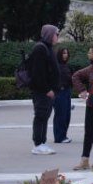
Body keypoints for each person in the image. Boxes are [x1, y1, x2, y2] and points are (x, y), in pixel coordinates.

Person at [27, 24, 61, 155]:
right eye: (56, 34)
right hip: (42, 91)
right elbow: (38, 73)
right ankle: (38, 144)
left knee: (45, 116)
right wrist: (47, 89)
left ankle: (42, 142)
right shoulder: (40, 49)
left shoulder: (47, 47)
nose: (57, 36)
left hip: (48, 91)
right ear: (49, 34)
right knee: (40, 116)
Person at [52, 46, 73, 144]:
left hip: (66, 92)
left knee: (66, 115)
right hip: (60, 93)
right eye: (64, 53)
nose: (66, 55)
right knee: (60, 115)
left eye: (67, 53)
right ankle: (59, 137)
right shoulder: (56, 65)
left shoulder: (65, 65)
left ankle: (63, 135)